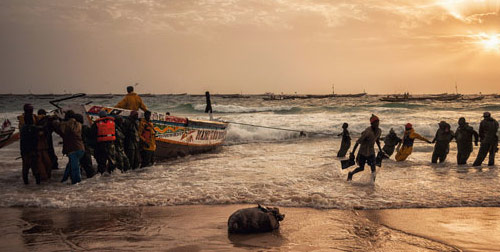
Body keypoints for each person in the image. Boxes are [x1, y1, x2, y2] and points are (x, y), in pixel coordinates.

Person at [52, 110, 85, 184]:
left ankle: (76, 183)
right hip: (81, 148)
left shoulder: (65, 125)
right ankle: (64, 179)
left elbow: (58, 127)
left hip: (72, 149)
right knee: (70, 165)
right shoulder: (78, 124)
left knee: (74, 168)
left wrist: (55, 120)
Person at [347, 114, 382, 182]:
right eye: (375, 123)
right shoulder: (367, 132)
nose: (377, 124)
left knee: (373, 168)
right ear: (372, 123)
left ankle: (372, 183)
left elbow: (377, 140)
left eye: (378, 122)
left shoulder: (379, 131)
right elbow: (358, 142)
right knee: (361, 168)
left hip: (371, 152)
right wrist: (352, 153)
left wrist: (380, 150)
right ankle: (351, 173)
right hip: (362, 152)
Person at [19, 104, 40, 184]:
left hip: (24, 151)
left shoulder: (22, 128)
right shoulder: (34, 128)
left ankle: (26, 184)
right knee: (35, 168)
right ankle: (38, 184)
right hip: (33, 151)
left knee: (25, 168)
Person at [73, 114, 96, 178]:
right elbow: (91, 135)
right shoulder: (84, 127)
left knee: (78, 165)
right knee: (88, 166)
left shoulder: (73, 128)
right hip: (84, 147)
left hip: (75, 148)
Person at [34, 109, 53, 181]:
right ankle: (44, 179)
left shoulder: (36, 123)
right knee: (45, 163)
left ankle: (43, 179)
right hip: (43, 146)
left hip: (42, 146)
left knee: (41, 163)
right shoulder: (46, 122)